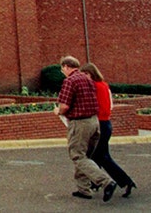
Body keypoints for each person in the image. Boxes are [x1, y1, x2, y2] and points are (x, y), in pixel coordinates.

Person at [53, 55, 117, 201]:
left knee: (77, 155)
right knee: (85, 155)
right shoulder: (88, 79)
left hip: (80, 123)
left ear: (66, 67)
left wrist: (58, 111)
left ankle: (106, 182)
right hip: (94, 122)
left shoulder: (69, 81)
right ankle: (83, 189)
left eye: (62, 68)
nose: (62, 71)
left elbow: (64, 106)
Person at [81, 63, 137, 198]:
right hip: (106, 123)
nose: (83, 79)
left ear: (90, 74)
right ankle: (98, 183)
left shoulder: (94, 87)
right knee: (99, 155)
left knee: (100, 157)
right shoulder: (104, 86)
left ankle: (119, 182)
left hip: (99, 124)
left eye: (85, 75)